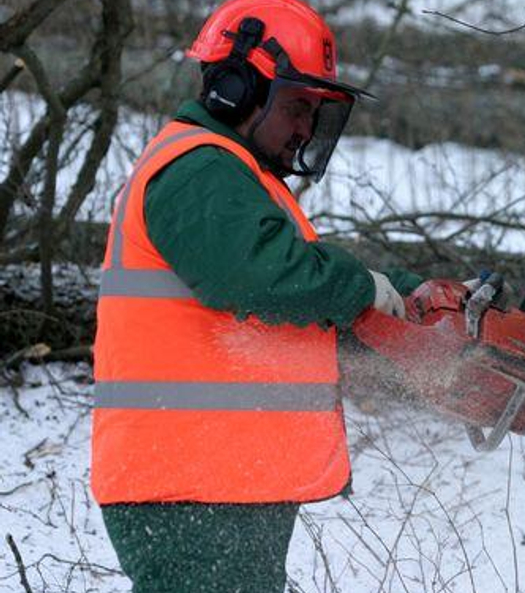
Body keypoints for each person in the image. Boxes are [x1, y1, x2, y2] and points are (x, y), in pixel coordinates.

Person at [91, 1, 420, 591]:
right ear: (238, 88)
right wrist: (356, 287)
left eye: (314, 113)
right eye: (298, 107)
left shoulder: (236, 178)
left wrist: (416, 302)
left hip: (219, 481)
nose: (305, 128)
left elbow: (293, 296)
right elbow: (261, 275)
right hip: (187, 487)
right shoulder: (197, 170)